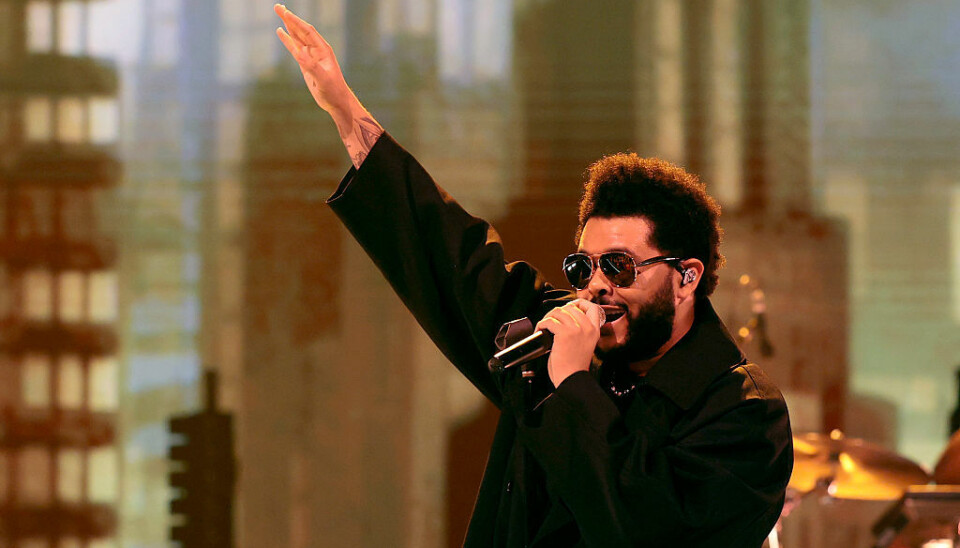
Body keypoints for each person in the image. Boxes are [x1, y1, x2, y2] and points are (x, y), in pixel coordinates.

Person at [274, 4, 793, 547]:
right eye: (582, 266)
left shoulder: (744, 414)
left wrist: (572, 386)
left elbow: (646, 529)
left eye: (619, 267)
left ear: (686, 277)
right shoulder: (550, 341)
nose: (595, 286)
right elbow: (451, 254)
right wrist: (342, 106)